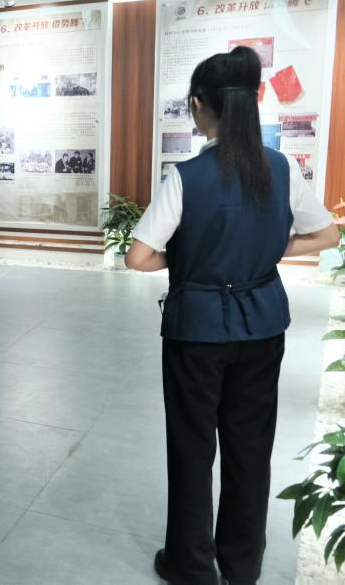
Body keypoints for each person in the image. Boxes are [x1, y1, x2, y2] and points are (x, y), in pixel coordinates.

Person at [125, 47, 340, 585]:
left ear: (201, 105)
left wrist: (188, 257)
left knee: (192, 448)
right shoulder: (280, 168)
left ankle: (191, 566)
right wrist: (269, 249)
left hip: (196, 331)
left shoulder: (187, 176)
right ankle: (242, 565)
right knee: (251, 448)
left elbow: (138, 257)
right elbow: (326, 234)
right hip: (263, 325)